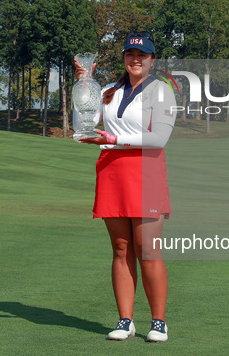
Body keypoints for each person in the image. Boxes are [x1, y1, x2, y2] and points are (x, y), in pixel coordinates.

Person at [73, 31, 177, 342]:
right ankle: (125, 320)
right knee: (121, 249)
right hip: (112, 172)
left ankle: (158, 322)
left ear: (152, 60)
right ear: (124, 58)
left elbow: (159, 138)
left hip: (146, 172)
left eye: (142, 55)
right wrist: (83, 86)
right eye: (130, 54)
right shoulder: (106, 90)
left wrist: (113, 139)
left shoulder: (162, 91)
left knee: (147, 250)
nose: (135, 59)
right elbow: (84, 125)